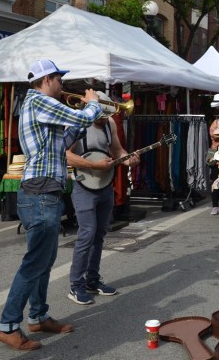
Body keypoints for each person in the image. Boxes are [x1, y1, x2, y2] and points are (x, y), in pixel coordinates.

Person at [0, 60, 103, 351]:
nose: (62, 85)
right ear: (47, 79)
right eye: (59, 79)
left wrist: (79, 127)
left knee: (44, 260)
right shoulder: (39, 101)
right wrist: (92, 104)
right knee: (35, 262)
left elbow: (60, 142)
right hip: (41, 191)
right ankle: (7, 324)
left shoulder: (39, 107)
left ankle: (39, 316)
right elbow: (80, 118)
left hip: (44, 190)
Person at [66, 92, 140, 305]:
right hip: (84, 186)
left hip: (104, 185)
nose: (102, 118)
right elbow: (65, 154)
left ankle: (92, 279)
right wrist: (93, 165)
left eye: (105, 114)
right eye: (99, 113)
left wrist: (128, 160)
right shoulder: (77, 122)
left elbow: (117, 150)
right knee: (86, 234)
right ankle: (75, 285)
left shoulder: (109, 124)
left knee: (99, 234)